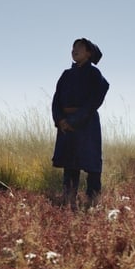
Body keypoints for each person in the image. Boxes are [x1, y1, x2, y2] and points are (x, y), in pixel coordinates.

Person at [51, 37, 110, 209]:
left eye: (79, 47)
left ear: (89, 53)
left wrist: (75, 121)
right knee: (70, 164)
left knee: (91, 164)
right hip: (66, 125)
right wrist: (60, 120)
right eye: (73, 47)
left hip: (87, 124)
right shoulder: (66, 75)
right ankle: (69, 200)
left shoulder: (94, 74)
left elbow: (94, 101)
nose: (74, 50)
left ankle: (93, 201)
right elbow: (56, 101)